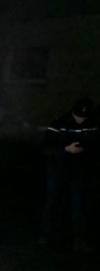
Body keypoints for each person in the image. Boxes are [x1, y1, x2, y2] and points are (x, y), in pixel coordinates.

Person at [39, 97, 98, 252]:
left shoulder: (92, 125)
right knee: (52, 203)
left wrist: (86, 150)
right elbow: (46, 148)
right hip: (57, 170)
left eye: (84, 117)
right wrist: (65, 149)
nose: (80, 120)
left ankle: (79, 241)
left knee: (79, 206)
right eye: (78, 116)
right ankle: (46, 236)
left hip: (79, 172)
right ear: (73, 112)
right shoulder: (59, 124)